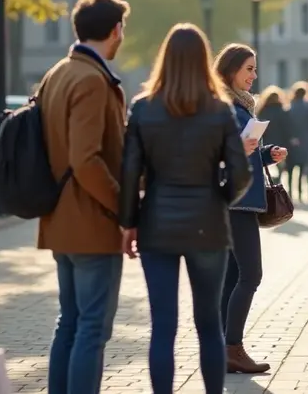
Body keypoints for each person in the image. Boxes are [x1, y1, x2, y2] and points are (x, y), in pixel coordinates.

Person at [119, 24, 253, 394]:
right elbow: (241, 173)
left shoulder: (143, 108)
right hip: (208, 224)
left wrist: (129, 223)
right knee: (209, 323)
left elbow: (129, 172)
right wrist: (219, 200)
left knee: (163, 325)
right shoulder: (219, 109)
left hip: (157, 224)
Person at [38, 0, 129, 394]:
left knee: (70, 321)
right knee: (92, 327)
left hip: (59, 217)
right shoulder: (92, 80)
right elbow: (86, 159)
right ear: (115, 30)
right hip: (92, 221)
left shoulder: (58, 72)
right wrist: (123, 208)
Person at [214, 43, 288, 374]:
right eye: (248, 69)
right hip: (237, 203)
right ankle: (233, 347)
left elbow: (242, 153)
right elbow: (218, 154)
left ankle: (221, 347)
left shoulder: (239, 107)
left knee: (232, 276)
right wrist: (241, 148)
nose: (254, 75)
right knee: (251, 275)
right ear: (231, 70)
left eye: (255, 69)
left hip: (239, 200)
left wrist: (264, 152)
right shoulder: (226, 107)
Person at [286, 82, 308, 200]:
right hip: (307, 140)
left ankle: (290, 191)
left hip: (293, 141)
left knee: (291, 168)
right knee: (305, 166)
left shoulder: (290, 106)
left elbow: (287, 125)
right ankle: (305, 191)